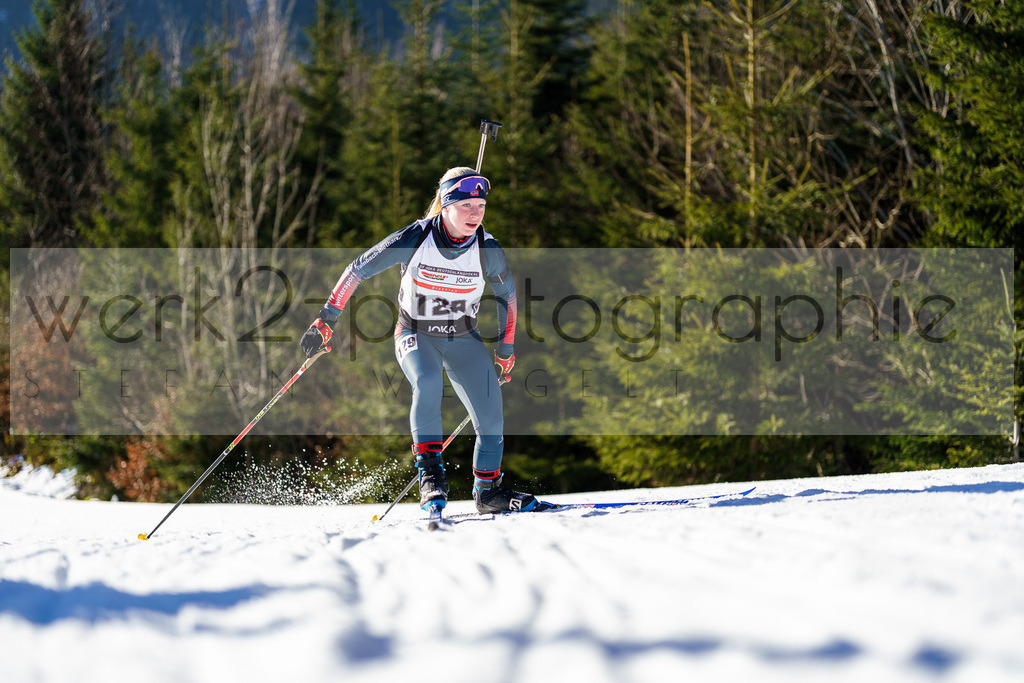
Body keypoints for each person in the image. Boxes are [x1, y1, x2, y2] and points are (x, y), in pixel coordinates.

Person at [300, 167, 543, 514]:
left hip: (463, 335)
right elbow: (358, 268)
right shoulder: (416, 237)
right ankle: (431, 475)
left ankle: (487, 492)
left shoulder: (488, 249)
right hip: (416, 331)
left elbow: (508, 298)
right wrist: (327, 319)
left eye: (481, 206)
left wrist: (505, 350)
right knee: (427, 382)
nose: (475, 213)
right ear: (445, 205)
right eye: (466, 205)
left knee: (491, 414)